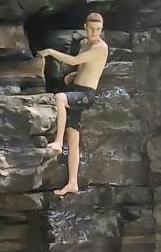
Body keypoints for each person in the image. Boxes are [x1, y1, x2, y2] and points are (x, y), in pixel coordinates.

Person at [38, 12, 110, 197]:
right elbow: (83, 66)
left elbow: (75, 61)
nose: (95, 33)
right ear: (84, 27)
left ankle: (58, 142)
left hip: (86, 95)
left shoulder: (101, 48)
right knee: (74, 138)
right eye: (92, 29)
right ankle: (72, 183)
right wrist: (74, 76)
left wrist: (50, 52)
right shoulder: (84, 44)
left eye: (98, 29)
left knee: (60, 98)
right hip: (77, 89)